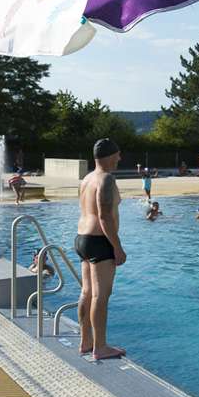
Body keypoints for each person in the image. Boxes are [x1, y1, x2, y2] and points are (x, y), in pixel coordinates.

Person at [74, 138, 126, 360]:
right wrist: (117, 247)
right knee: (100, 296)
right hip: (99, 241)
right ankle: (100, 347)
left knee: (86, 292)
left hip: (82, 238)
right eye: (118, 155)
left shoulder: (87, 179)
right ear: (110, 155)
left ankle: (85, 342)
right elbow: (105, 217)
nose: (120, 159)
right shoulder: (106, 179)